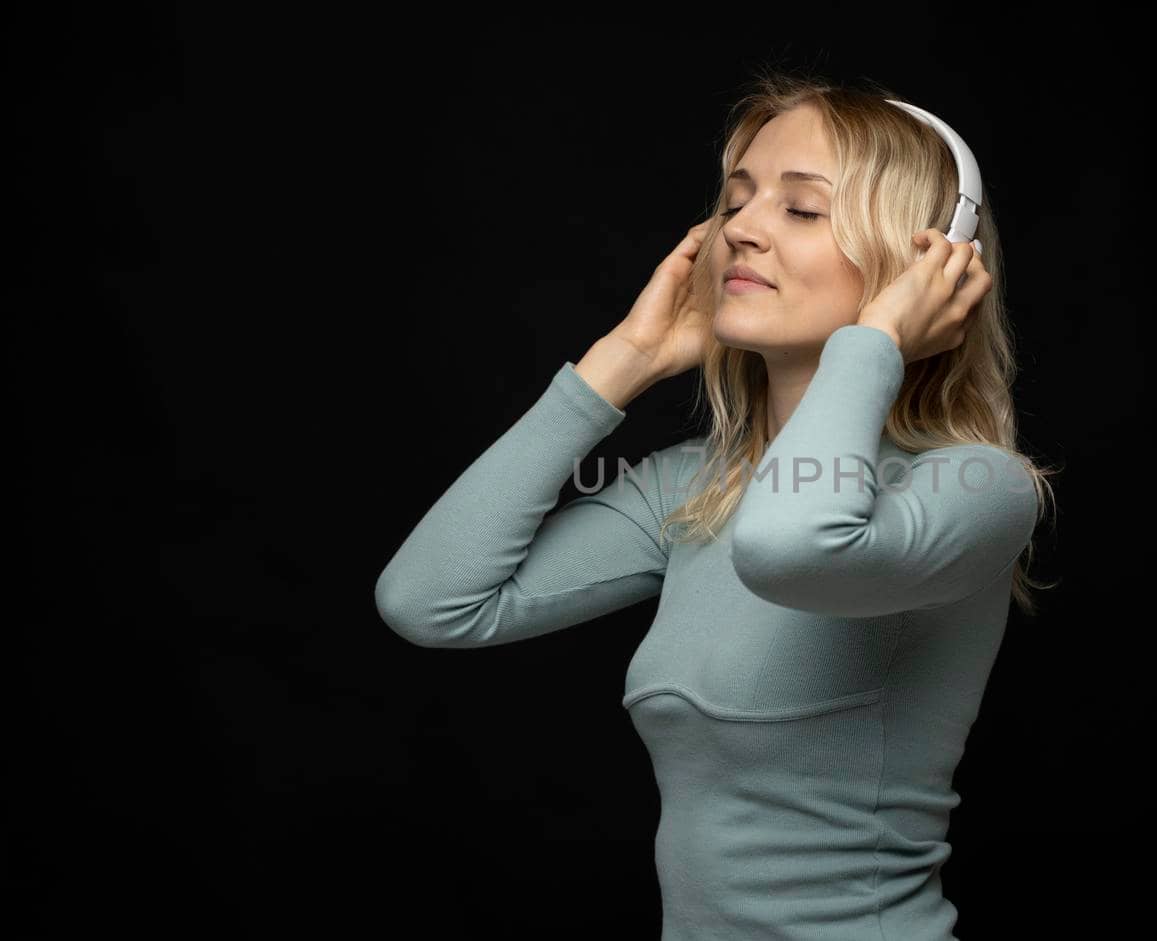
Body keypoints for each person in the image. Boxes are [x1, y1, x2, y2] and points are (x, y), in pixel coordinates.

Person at [375, 70, 1059, 940]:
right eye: (738, 200)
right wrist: (620, 361)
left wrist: (876, 340)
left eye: (802, 209)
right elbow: (430, 601)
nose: (740, 227)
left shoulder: (978, 487)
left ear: (927, 263)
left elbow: (791, 547)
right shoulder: (696, 485)